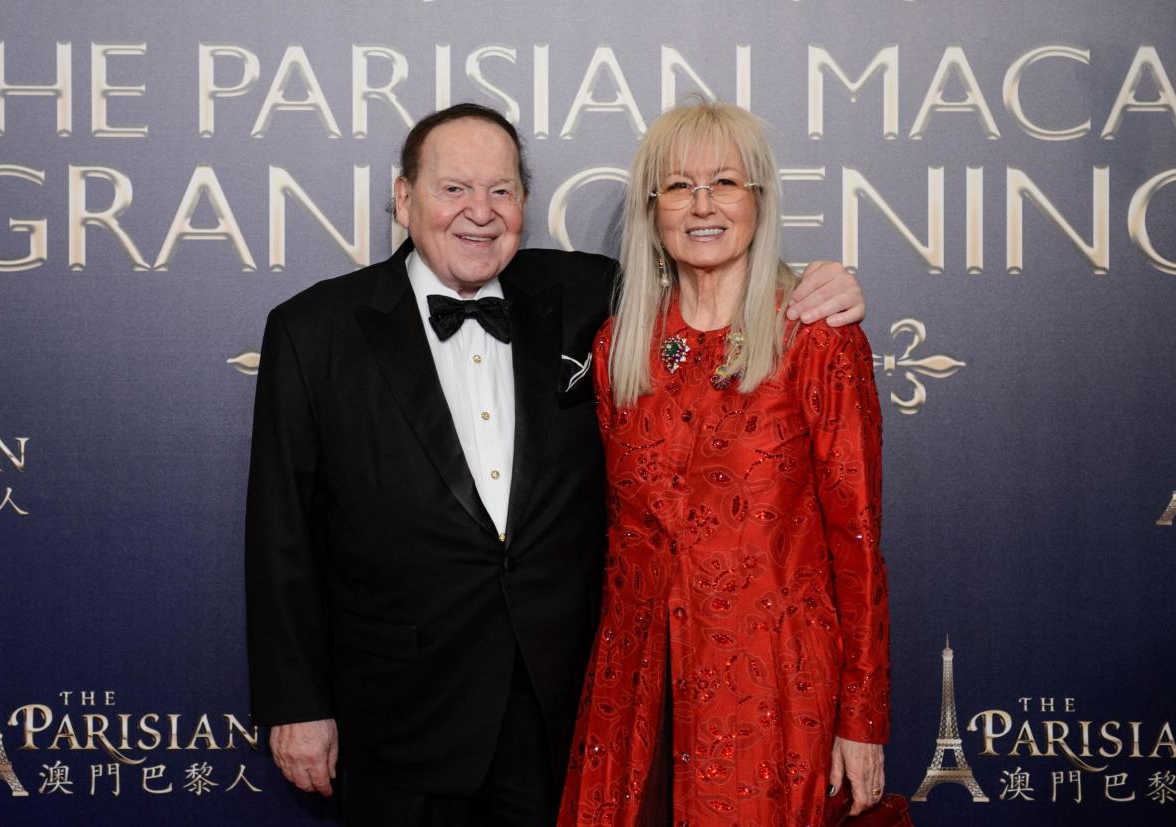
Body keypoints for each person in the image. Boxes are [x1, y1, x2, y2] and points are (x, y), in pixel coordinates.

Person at [245, 102, 867, 827]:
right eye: (454, 189)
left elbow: (712, 269)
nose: (480, 212)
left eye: (502, 191)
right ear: (403, 197)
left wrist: (823, 284)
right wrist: (297, 706)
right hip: (398, 719)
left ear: (525, 205)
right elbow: (280, 539)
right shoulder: (313, 331)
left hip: (560, 716)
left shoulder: (589, 299)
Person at [557, 100, 891, 827]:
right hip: (635, 690)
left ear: (759, 201)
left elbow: (857, 544)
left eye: (725, 183)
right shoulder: (621, 345)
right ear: (652, 210)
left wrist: (862, 718)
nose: (701, 205)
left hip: (771, 690)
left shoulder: (816, 340)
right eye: (677, 186)